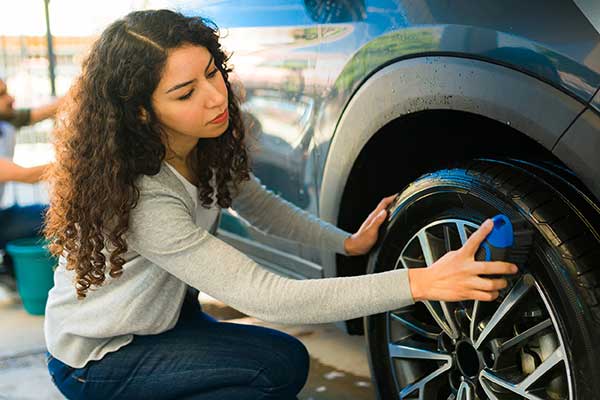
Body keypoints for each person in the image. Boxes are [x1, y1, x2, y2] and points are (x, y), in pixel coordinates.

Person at [42, 9, 517, 400]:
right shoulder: (146, 195)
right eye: (186, 93)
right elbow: (267, 296)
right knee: (269, 375)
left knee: (282, 361)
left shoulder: (204, 139)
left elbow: (260, 207)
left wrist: (347, 243)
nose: (215, 98)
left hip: (166, 322)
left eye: (212, 73)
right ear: (142, 112)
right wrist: (423, 281)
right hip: (99, 356)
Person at [0, 77, 59, 280]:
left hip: (2, 216)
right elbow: (27, 175)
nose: (10, 98)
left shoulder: (5, 123)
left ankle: (11, 271)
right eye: (1, 95)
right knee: (59, 217)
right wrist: (84, 165)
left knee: (51, 213)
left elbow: (39, 113)